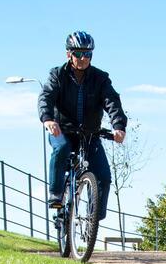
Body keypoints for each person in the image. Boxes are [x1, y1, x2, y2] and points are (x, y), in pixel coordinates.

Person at [38, 31, 127, 217]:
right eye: (78, 53)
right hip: (62, 131)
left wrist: (118, 126)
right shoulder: (57, 75)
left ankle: (93, 217)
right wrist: (48, 119)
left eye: (87, 54)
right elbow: (46, 97)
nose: (83, 58)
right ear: (68, 54)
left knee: (103, 175)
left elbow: (112, 102)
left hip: (90, 134)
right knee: (61, 149)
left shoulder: (100, 78)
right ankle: (56, 194)